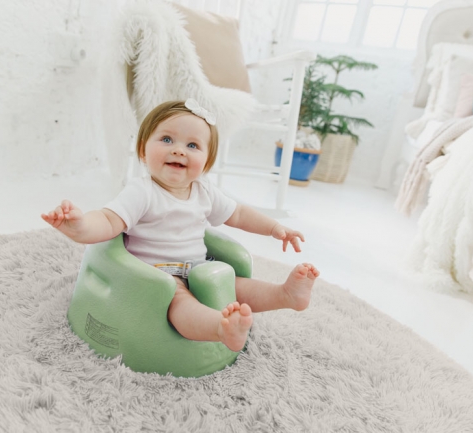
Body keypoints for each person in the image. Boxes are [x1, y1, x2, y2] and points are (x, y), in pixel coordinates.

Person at [41, 99, 319, 352]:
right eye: (166, 139)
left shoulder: (203, 191)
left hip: (198, 266)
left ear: (206, 162)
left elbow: (240, 213)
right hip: (158, 277)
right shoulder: (142, 192)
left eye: (192, 146)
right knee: (180, 303)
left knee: (236, 285)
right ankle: (219, 328)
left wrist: (274, 228)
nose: (178, 150)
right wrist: (78, 226)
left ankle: (285, 295)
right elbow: (108, 220)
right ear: (143, 150)